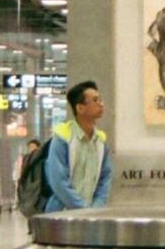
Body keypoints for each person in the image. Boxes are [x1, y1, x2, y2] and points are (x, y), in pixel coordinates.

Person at [42, 80, 112, 212]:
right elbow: (58, 182)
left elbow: (105, 178)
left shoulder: (100, 141)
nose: (101, 104)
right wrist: (82, 210)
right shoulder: (63, 137)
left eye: (101, 99)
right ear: (80, 108)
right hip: (60, 216)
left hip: (91, 217)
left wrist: (95, 209)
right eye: (96, 100)